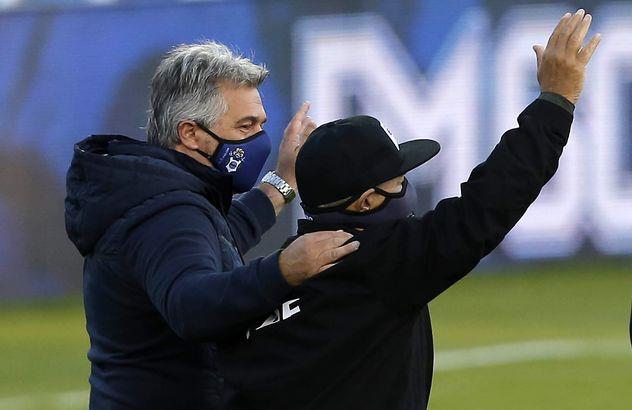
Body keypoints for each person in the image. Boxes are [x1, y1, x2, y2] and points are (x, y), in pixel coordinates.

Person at [215, 10, 601, 410]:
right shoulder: (380, 263)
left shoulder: (272, 279)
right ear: (366, 202)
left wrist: (281, 183)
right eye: (397, 181)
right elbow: (491, 200)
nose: (406, 189)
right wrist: (556, 102)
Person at [64, 41, 359, 409]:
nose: (260, 140)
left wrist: (282, 183)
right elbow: (192, 307)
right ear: (190, 133)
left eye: (261, 125)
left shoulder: (159, 195)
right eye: (245, 126)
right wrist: (283, 270)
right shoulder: (167, 212)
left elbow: (213, 241)